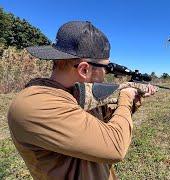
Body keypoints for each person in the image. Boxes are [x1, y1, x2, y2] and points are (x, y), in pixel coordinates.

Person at [7, 21, 156, 179]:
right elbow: (115, 146)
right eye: (106, 68)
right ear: (84, 69)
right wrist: (125, 97)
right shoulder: (34, 104)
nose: (106, 74)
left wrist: (134, 101)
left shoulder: (76, 94)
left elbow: (101, 123)